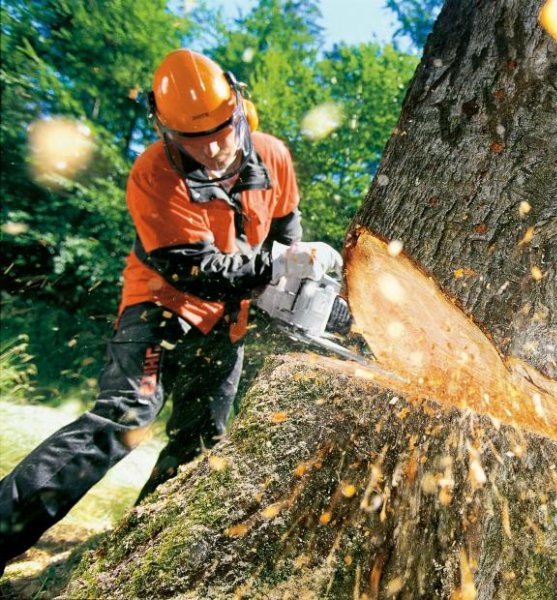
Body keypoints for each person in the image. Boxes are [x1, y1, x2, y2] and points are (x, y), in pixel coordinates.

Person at [0, 49, 342, 565]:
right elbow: (196, 271)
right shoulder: (153, 173)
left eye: (224, 130)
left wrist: (297, 266)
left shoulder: (273, 156)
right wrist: (276, 266)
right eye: (195, 139)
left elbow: (284, 229)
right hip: (160, 307)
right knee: (124, 418)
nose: (216, 148)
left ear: (238, 107)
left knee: (200, 443)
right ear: (167, 129)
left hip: (229, 322)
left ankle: (128, 562)